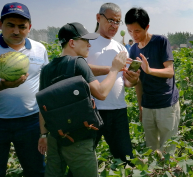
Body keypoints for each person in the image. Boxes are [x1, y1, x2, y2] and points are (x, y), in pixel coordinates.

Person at [38, 22, 128, 177]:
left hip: (54, 137)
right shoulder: (79, 63)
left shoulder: (47, 69)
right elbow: (101, 93)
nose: (89, 45)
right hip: (77, 137)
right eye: (85, 41)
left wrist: (43, 135)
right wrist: (114, 69)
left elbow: (43, 107)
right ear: (72, 43)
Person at [0, 2, 47, 177]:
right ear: (0, 25)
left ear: (29, 27)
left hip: (30, 121)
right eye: (10, 25)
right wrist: (3, 85)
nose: (16, 31)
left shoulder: (39, 49)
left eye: (22, 27)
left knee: (36, 170)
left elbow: (44, 84)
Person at [87, 3, 139, 166]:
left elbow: (126, 83)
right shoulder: (86, 42)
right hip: (92, 110)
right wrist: (112, 68)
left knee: (126, 159)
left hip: (118, 110)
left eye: (118, 22)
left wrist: (133, 78)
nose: (114, 25)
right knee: (83, 160)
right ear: (98, 17)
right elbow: (79, 69)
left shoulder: (121, 47)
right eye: (110, 20)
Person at [126, 7, 180, 153]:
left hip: (166, 103)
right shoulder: (133, 50)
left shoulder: (160, 42)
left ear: (147, 27)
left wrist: (149, 71)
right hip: (148, 105)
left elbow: (170, 71)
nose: (133, 35)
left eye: (137, 31)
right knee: (152, 150)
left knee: (168, 149)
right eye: (130, 31)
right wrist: (140, 106)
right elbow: (137, 82)